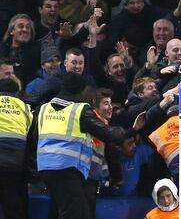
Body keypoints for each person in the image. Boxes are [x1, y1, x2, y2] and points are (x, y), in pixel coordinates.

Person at [36, 72, 145, 219]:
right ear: (80, 90)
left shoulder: (43, 109)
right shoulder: (80, 110)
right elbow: (108, 134)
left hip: (45, 168)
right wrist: (133, 129)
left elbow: (33, 138)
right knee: (74, 213)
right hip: (66, 168)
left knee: (72, 211)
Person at [0, 78, 33, 219]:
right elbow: (29, 134)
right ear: (16, 93)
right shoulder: (24, 107)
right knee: (13, 207)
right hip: (14, 164)